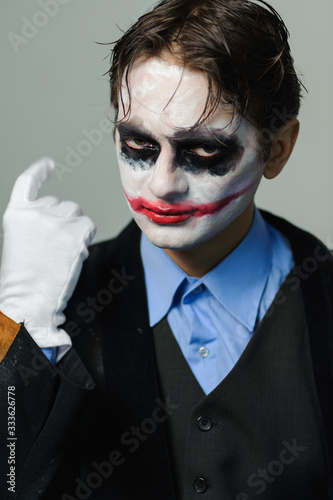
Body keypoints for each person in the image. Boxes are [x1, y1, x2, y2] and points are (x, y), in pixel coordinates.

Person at [0, 0, 332, 498]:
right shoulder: (58, 308)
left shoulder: (324, 295)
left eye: (203, 152)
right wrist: (17, 326)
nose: (160, 185)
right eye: (137, 146)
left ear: (277, 149)